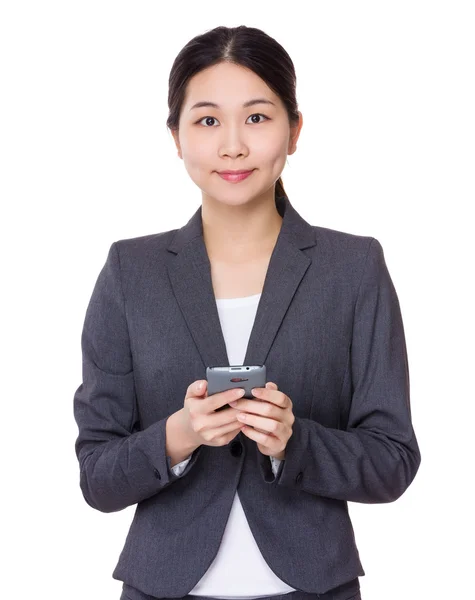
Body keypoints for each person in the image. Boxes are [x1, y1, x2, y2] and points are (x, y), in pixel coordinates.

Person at [73, 25, 421, 600]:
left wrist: (294, 441)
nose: (232, 145)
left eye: (257, 118)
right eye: (207, 120)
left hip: (315, 587)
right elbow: (97, 477)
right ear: (176, 136)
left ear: (295, 130)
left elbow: (393, 460)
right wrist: (177, 436)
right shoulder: (129, 271)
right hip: (163, 587)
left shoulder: (354, 267)